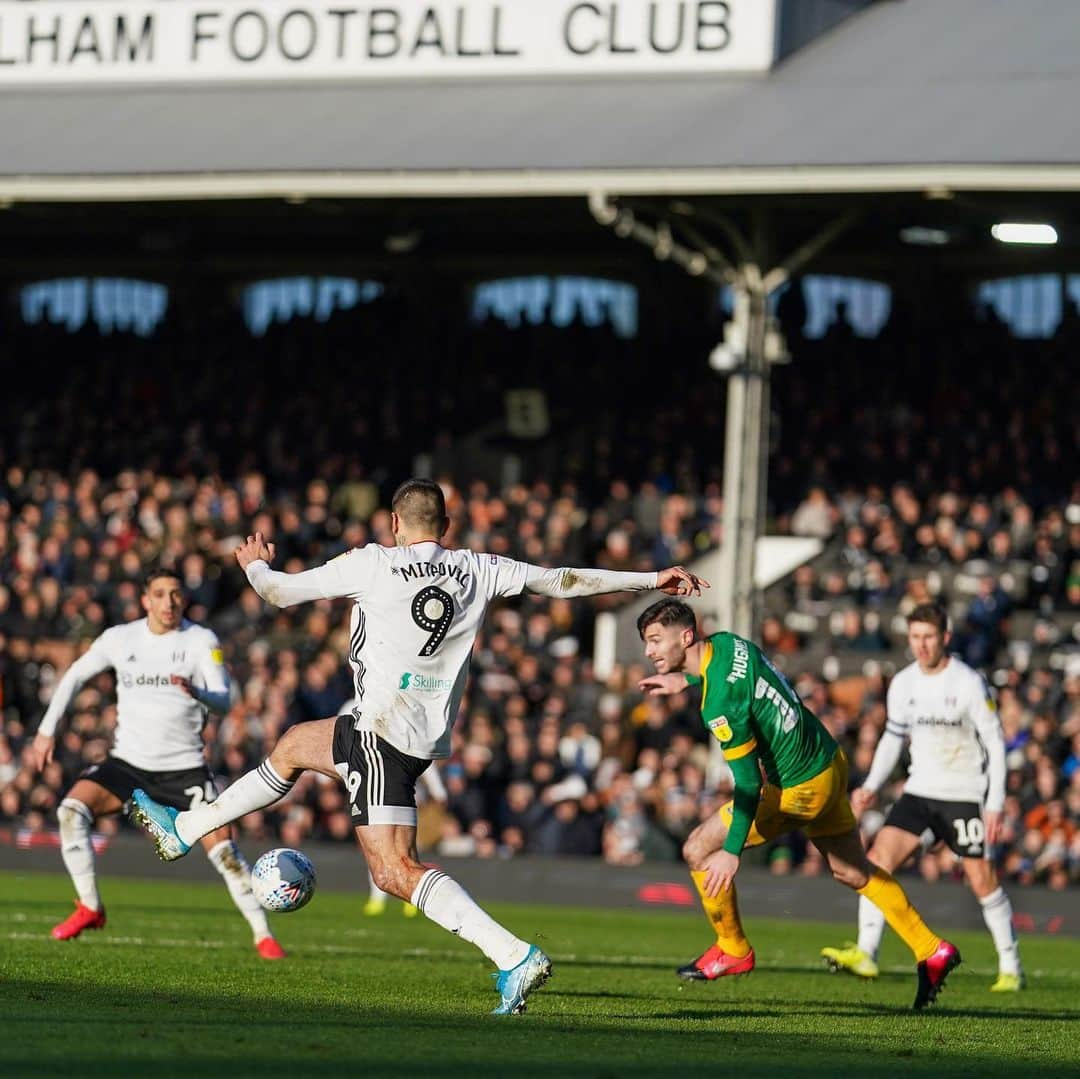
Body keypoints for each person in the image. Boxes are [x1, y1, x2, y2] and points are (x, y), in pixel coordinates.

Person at [131, 478, 706, 1015]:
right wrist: (649, 579)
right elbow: (563, 580)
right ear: (447, 526)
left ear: (394, 523)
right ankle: (186, 829)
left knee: (394, 871)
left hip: (381, 734)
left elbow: (280, 594)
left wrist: (255, 568)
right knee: (293, 746)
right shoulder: (478, 568)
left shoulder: (373, 564)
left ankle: (513, 955)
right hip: (412, 733)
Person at [636, 598, 959, 1011]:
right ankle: (931, 949)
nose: (649, 652)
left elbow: (749, 782)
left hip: (800, 788)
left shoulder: (718, 704)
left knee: (699, 849)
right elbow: (738, 684)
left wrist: (732, 852)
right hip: (829, 761)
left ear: (685, 637)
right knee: (851, 870)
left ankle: (733, 948)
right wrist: (689, 680)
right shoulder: (730, 644)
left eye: (656, 641)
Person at [30, 568, 285, 959]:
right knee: (70, 811)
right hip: (128, 764)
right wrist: (46, 730)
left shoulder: (200, 640)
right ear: (146, 600)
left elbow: (224, 700)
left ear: (183, 600)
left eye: (176, 594)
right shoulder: (121, 638)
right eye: (161, 594)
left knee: (225, 853)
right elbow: (74, 677)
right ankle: (90, 907)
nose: (169, 602)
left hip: (183, 769)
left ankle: (263, 936)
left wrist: (197, 690)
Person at [821, 602, 1022, 991]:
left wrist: (995, 801)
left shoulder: (967, 682)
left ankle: (1011, 966)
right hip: (920, 790)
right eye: (915, 638)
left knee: (980, 879)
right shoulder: (904, 683)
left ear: (945, 637)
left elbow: (995, 743)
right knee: (877, 859)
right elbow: (892, 739)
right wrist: (871, 786)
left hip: (963, 793)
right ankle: (867, 953)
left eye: (929, 637)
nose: (922, 645)